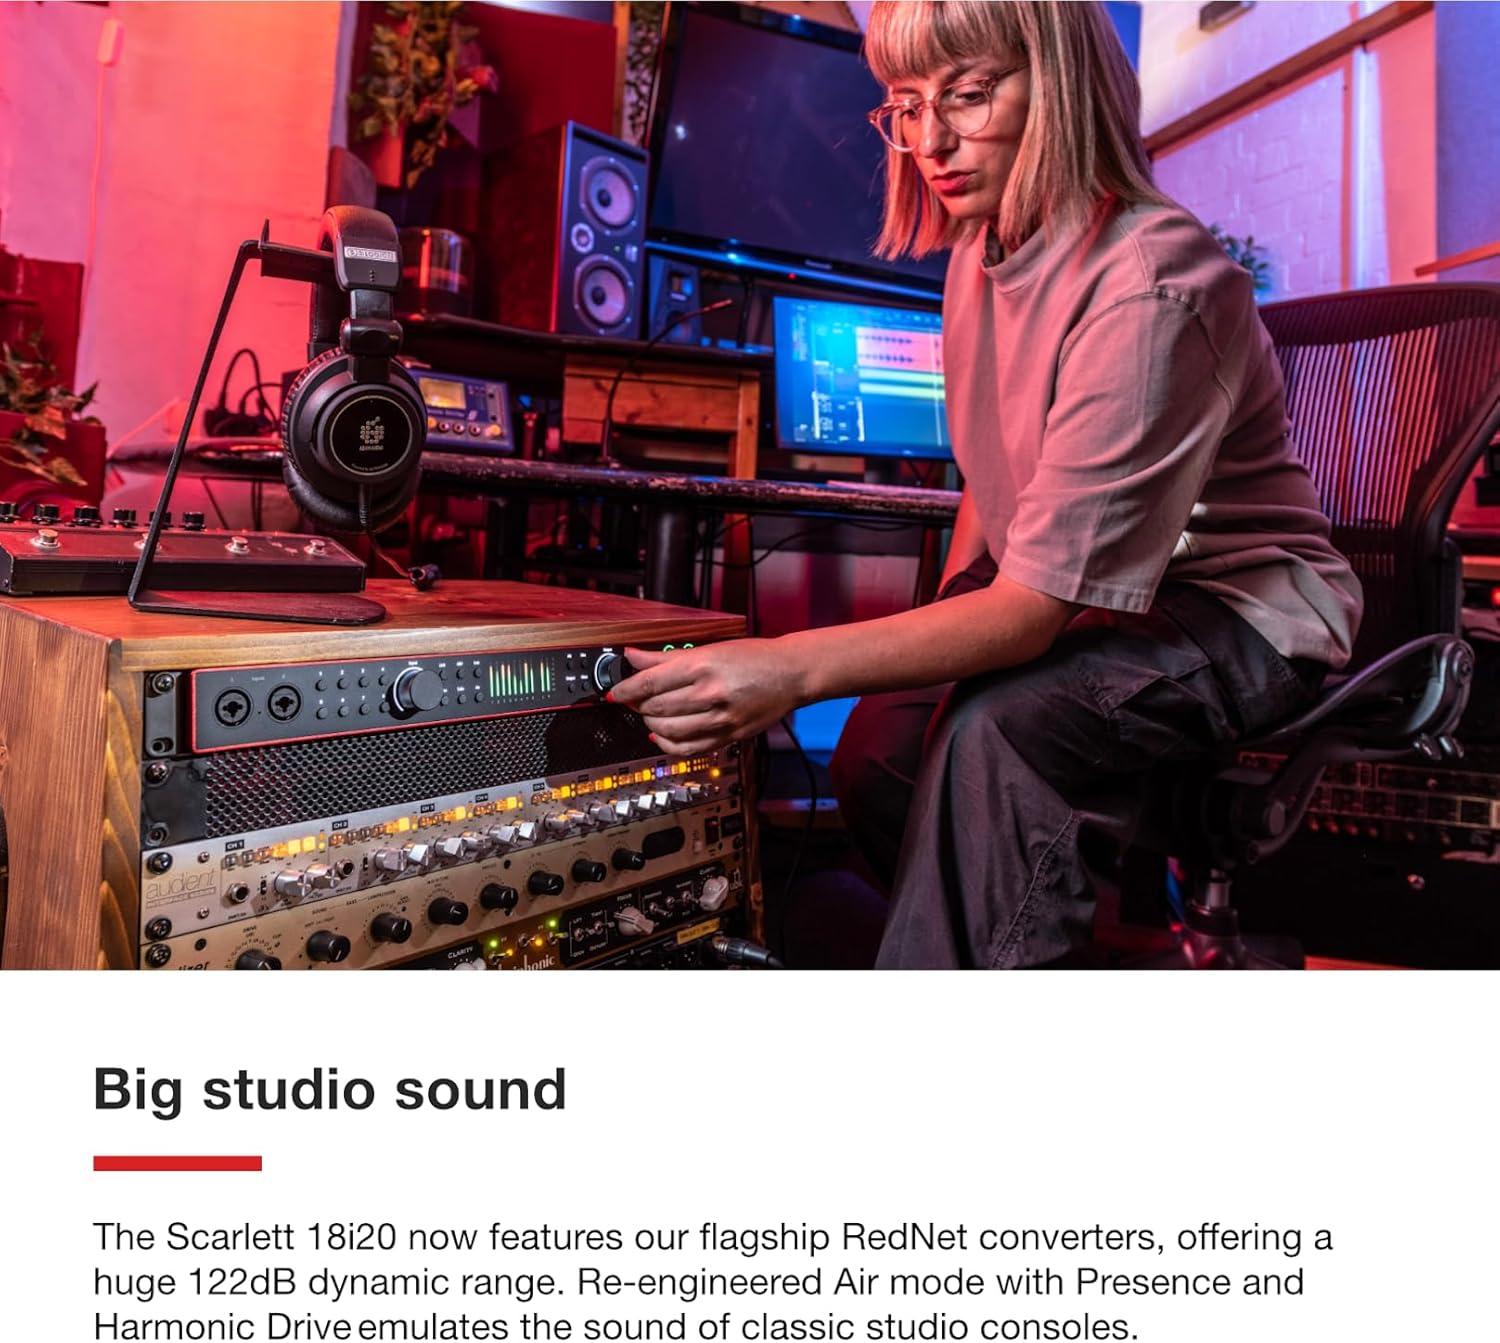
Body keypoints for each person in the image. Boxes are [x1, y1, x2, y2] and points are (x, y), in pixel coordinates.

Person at [608, 0, 1362, 968]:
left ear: (1060, 85)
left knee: (994, 734)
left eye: (966, 94)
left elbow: (1032, 611)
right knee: (882, 751)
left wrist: (787, 666)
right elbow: (995, 486)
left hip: (1239, 612)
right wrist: (935, 635)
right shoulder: (979, 250)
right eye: (906, 105)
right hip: (1090, 596)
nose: (929, 140)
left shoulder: (1151, 283)